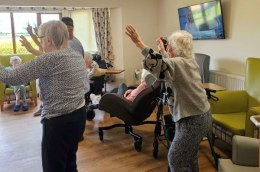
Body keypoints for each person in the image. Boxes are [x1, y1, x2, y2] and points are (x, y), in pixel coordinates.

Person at [0, 20, 88, 172]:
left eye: (40, 39)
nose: (40, 42)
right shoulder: (75, 56)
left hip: (58, 122)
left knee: (54, 167)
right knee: (70, 162)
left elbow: (11, 77)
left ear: (48, 40)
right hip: (79, 116)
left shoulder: (48, 60)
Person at [125, 25, 211, 172]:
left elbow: (159, 63)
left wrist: (138, 42)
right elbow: (167, 64)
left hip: (192, 120)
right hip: (200, 117)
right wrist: (163, 50)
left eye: (170, 46)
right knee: (189, 157)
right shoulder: (189, 62)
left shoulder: (177, 64)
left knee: (175, 158)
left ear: (174, 49)